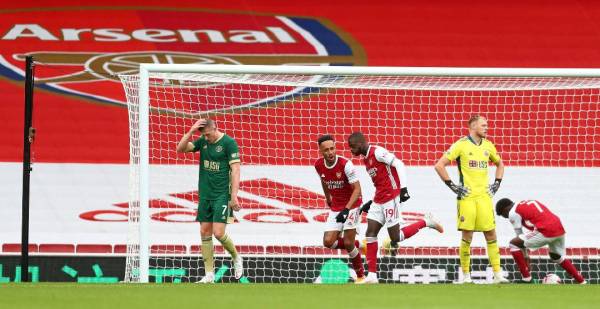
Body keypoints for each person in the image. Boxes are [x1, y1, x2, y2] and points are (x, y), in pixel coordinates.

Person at [348, 132, 444, 284]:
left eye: (352, 147)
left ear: (359, 144)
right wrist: (370, 203)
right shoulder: (366, 159)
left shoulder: (377, 152)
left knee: (395, 237)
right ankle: (372, 275)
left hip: (391, 198)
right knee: (370, 233)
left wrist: (403, 188)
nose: (351, 151)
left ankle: (426, 221)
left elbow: (399, 163)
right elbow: (381, 181)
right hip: (379, 199)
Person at [434, 115, 508, 284]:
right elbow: (439, 165)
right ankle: (466, 277)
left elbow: (500, 164)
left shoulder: (488, 146)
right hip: (467, 198)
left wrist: (496, 183)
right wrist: (453, 186)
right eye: (484, 125)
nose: (487, 128)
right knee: (468, 236)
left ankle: (498, 275)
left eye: (487, 125)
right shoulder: (461, 145)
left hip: (484, 198)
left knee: (491, 233)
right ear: (473, 126)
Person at [176, 118, 243, 283]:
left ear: (215, 129)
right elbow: (180, 149)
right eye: (203, 135)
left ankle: (236, 257)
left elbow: (235, 170)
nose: (206, 138)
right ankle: (209, 275)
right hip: (205, 194)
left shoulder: (228, 143)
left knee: (218, 233)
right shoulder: (203, 142)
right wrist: (191, 132)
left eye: (207, 134)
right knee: (204, 232)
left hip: (222, 194)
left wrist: (233, 196)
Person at [496, 198, 586, 284]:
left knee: (513, 244)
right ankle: (582, 281)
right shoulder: (524, 203)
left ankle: (526, 278)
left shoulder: (512, 213)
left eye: (503, 215)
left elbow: (519, 236)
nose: (506, 217)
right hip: (558, 227)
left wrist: (526, 257)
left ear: (505, 209)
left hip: (545, 230)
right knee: (556, 256)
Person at [315, 135, 366, 283]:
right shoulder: (318, 165)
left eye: (332, 148)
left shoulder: (346, 164)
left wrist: (347, 209)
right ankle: (360, 245)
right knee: (328, 241)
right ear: (320, 151)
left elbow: (357, 189)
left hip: (353, 205)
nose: (330, 152)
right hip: (337, 206)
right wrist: (328, 198)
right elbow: (324, 180)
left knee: (348, 243)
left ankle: (361, 276)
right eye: (326, 150)